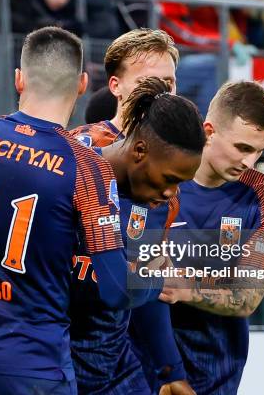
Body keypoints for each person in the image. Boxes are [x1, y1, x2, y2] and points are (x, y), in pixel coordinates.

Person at [0, 26, 162, 395]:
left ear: (19, 79)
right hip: (34, 366)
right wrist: (153, 281)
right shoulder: (86, 166)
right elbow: (116, 291)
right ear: (83, 84)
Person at [133, 81, 264, 395]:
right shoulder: (159, 177)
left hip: (216, 372)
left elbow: (247, 298)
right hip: (143, 366)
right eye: (242, 148)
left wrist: (183, 289)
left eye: (260, 151)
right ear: (209, 131)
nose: (250, 162)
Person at [69, 77, 204, 395]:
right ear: (140, 150)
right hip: (48, 359)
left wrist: (170, 369)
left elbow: (141, 279)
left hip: (113, 367)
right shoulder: (68, 169)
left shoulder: (157, 204)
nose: (172, 193)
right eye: (170, 179)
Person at [74, 28, 179, 148]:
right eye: (146, 82)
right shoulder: (87, 146)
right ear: (115, 86)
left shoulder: (183, 148)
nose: (160, 90)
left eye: (168, 81)